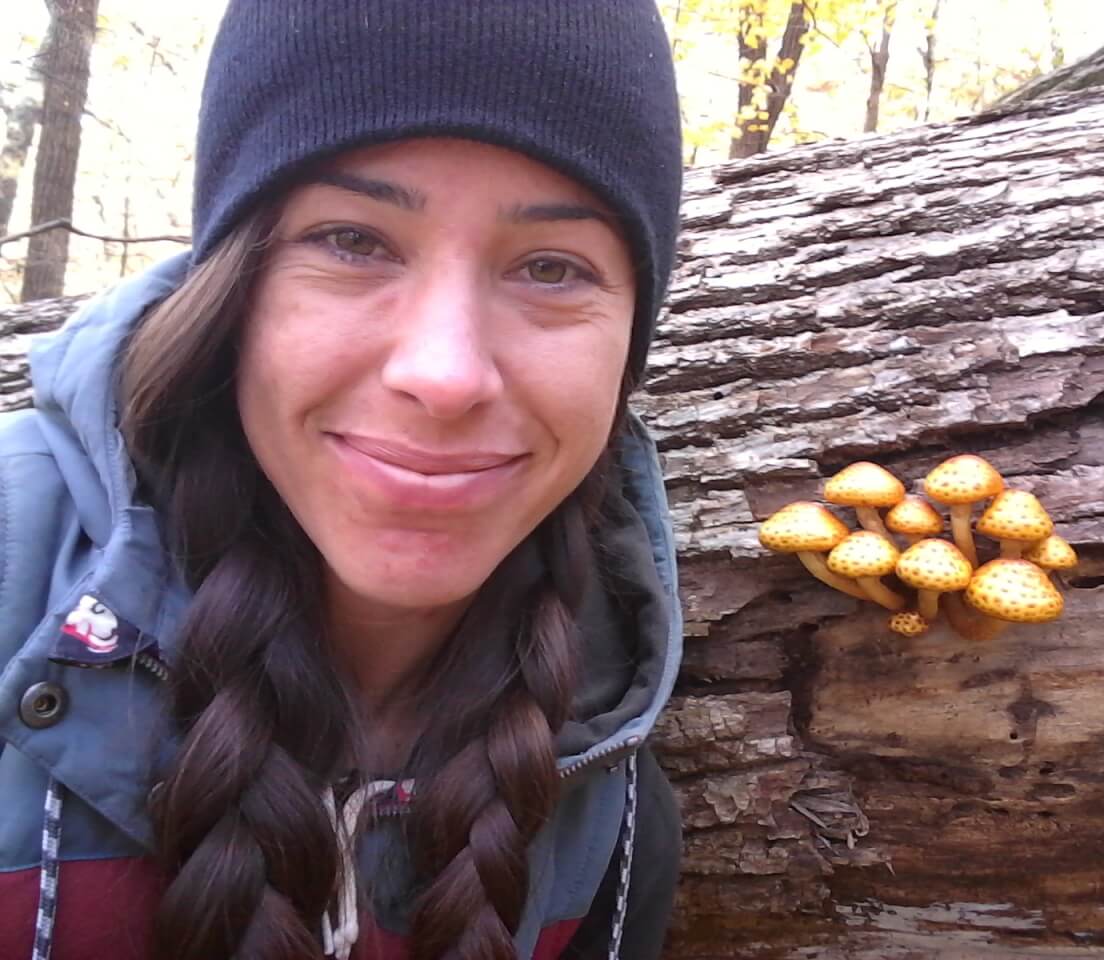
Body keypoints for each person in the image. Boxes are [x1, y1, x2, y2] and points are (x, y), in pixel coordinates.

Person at [0, 2, 685, 958]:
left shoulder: (606, 784)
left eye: (551, 266)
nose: (444, 375)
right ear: (232, 288)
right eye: (353, 243)